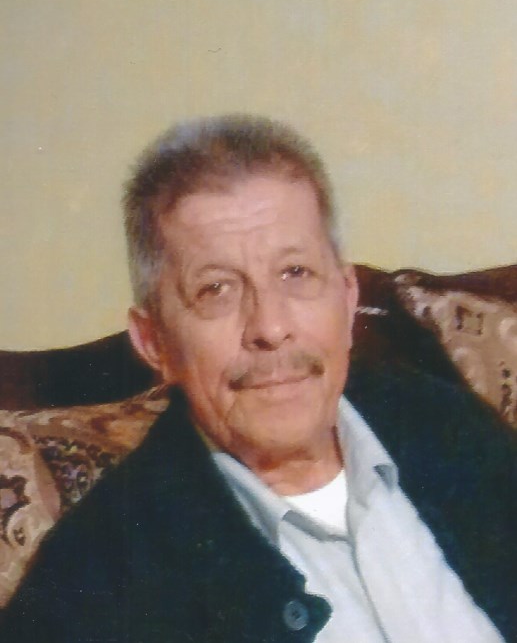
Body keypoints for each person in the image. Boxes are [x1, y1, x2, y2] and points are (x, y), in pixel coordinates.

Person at [1, 115, 515, 642]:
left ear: (347, 297)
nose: (270, 327)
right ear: (155, 343)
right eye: (216, 289)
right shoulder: (92, 584)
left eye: (296, 273)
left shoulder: (447, 425)